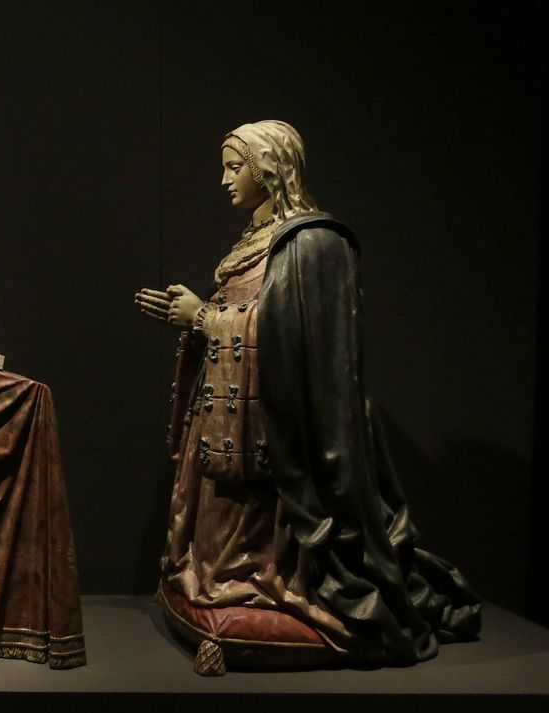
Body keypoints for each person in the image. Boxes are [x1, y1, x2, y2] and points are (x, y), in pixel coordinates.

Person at [133, 120, 481, 669]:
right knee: (213, 541)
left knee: (257, 535)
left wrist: (204, 316)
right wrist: (199, 318)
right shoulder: (255, 239)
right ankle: (223, 584)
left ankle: (266, 587)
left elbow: (296, 338)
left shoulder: (314, 242)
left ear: (269, 168)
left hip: (277, 426)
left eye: (234, 166)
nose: (225, 180)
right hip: (228, 416)